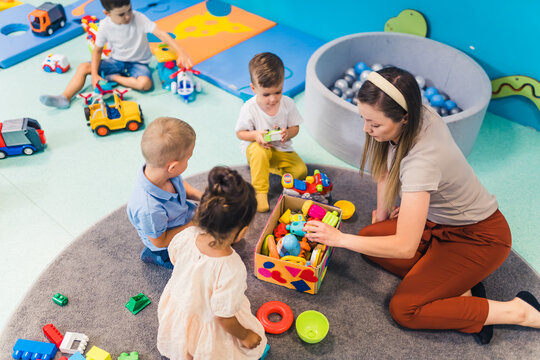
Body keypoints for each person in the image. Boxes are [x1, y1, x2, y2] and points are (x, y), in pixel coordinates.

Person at [304, 66, 540, 344]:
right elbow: (384, 166)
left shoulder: (421, 160)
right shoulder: (415, 111)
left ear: (404, 118)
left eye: (375, 124)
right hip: (439, 223)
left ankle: (518, 311)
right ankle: (457, 285)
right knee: (370, 239)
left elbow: (404, 247)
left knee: (405, 310)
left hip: (479, 238)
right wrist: (381, 215)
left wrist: (340, 239)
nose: (366, 130)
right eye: (363, 119)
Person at [157, 166, 267, 359]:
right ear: (241, 232)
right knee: (222, 347)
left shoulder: (186, 235)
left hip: (180, 306)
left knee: (187, 343)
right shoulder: (232, 268)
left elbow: (175, 258)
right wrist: (246, 336)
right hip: (212, 321)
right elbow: (224, 318)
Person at [39, 0, 192, 109]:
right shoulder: (104, 26)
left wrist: (182, 52)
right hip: (115, 61)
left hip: (139, 63)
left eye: (129, 10)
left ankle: (113, 78)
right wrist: (94, 75)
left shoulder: (138, 18)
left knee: (146, 85)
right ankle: (64, 97)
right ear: (107, 13)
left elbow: (162, 34)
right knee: (83, 67)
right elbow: (97, 51)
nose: (127, 17)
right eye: (121, 14)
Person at [235, 52, 307, 212]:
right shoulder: (249, 108)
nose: (273, 99)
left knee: (301, 171)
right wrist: (256, 135)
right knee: (259, 153)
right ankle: (260, 192)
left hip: (280, 149)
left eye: (278, 92)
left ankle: (267, 167)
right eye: (266, 94)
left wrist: (288, 133)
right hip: (257, 148)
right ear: (253, 88)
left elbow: (295, 128)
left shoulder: (287, 104)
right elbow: (240, 133)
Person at [127, 117, 202, 269]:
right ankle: (156, 257)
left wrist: (200, 196)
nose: (189, 161)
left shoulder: (164, 172)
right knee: (201, 265)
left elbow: (181, 185)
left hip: (184, 219)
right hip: (166, 244)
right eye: (188, 158)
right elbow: (160, 241)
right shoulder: (149, 209)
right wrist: (196, 222)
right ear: (172, 167)